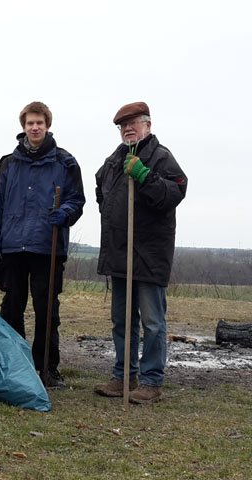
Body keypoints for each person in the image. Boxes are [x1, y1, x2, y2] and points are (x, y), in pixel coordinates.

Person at [0, 101, 85, 388]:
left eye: (39, 122)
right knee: (11, 309)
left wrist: (65, 212)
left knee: (47, 311)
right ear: (23, 126)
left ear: (47, 125)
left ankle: (47, 369)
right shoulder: (8, 163)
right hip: (13, 248)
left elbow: (77, 200)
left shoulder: (65, 162)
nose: (35, 127)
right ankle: (15, 365)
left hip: (48, 248)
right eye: (30, 122)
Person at [94, 102, 187, 404]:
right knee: (122, 321)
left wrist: (146, 176)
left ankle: (151, 382)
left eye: (134, 123)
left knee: (152, 322)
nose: (128, 129)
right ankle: (124, 376)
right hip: (120, 255)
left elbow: (175, 193)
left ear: (148, 125)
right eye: (123, 126)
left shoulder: (161, 157)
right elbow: (101, 189)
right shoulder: (114, 160)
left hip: (148, 255)